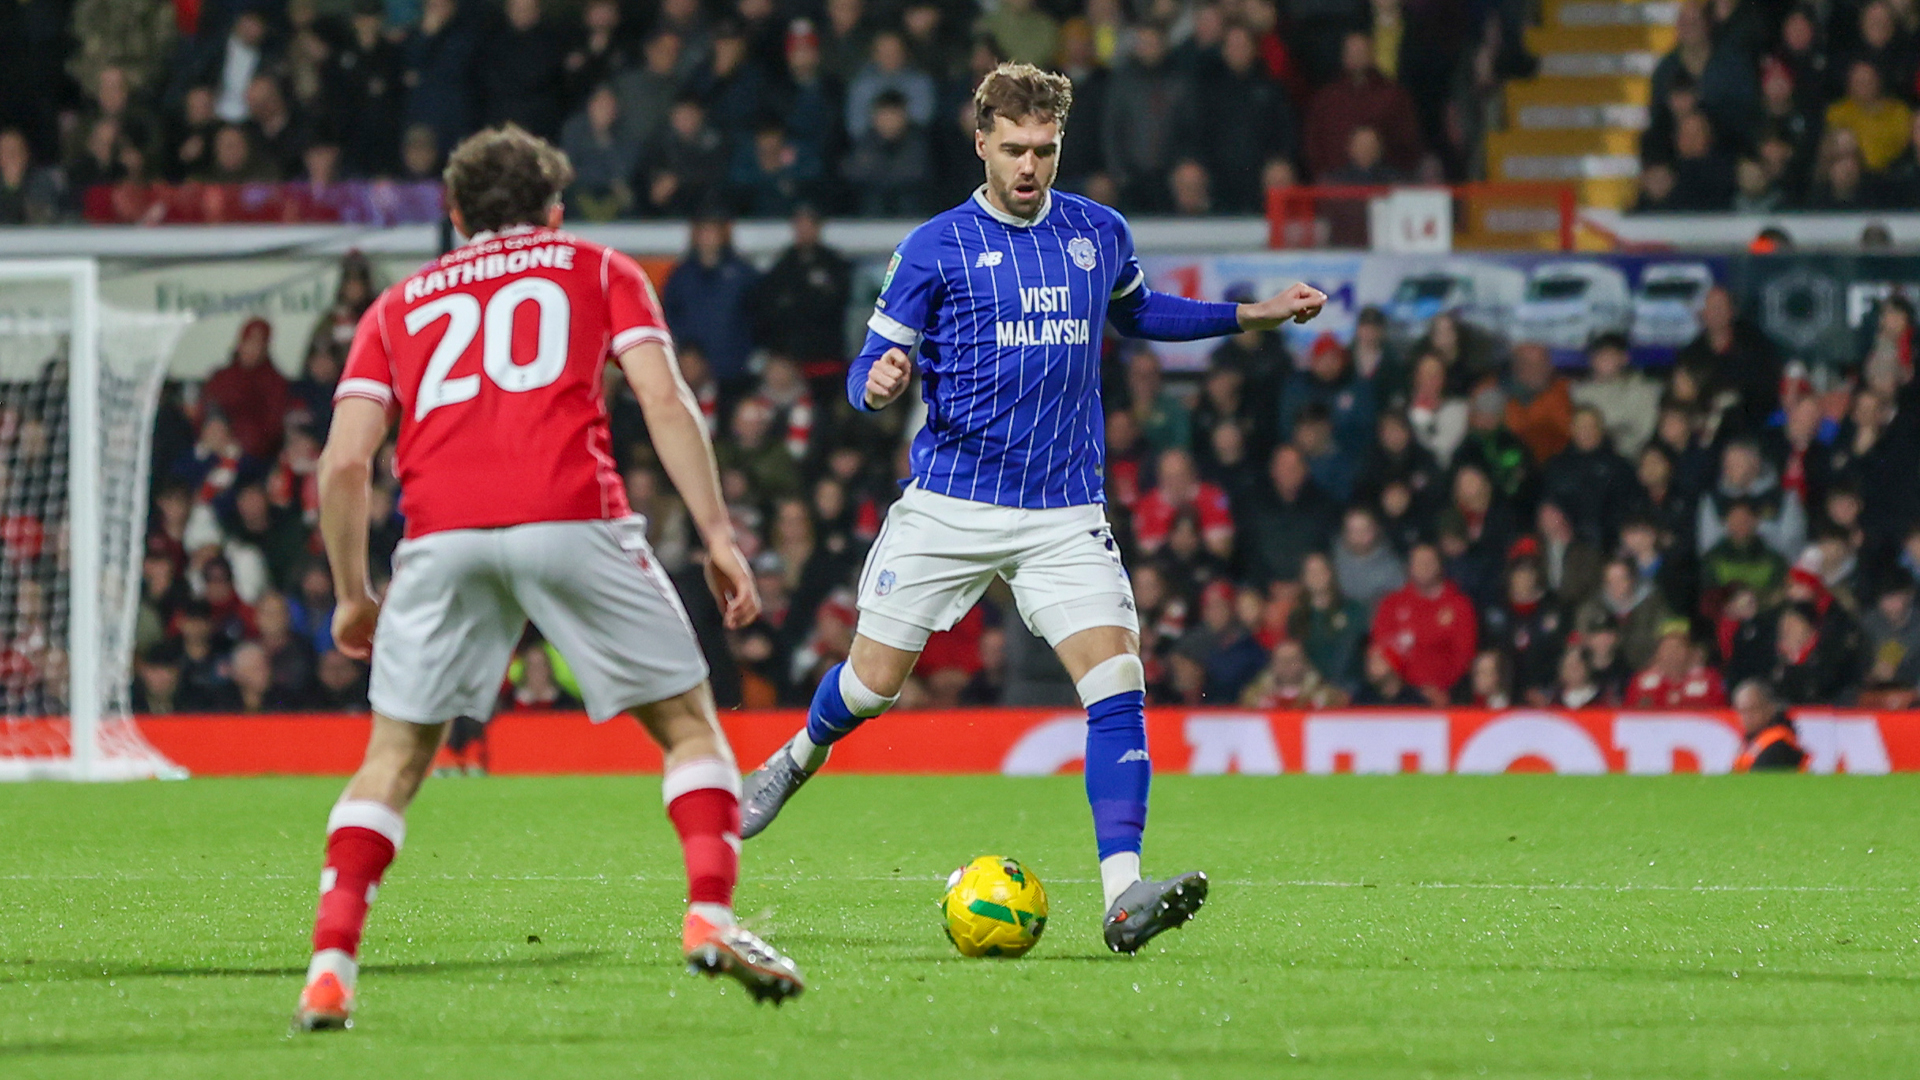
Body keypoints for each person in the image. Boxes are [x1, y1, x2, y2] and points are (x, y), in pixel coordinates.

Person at [736, 64, 1326, 953]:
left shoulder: (1097, 232)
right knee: (870, 686)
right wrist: (879, 384)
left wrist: (1252, 314)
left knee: (1118, 682)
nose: (1029, 167)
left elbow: (1141, 314)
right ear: (980, 143)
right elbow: (867, 370)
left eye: (1044, 150)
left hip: (1062, 509)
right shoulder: (934, 247)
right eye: (1013, 149)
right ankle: (794, 759)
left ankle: (1124, 896)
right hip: (949, 506)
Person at [294, 125, 803, 1032]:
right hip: (573, 516)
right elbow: (662, 398)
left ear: (454, 216)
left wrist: (350, 593)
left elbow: (341, 464)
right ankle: (711, 916)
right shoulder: (599, 267)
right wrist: (718, 533)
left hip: (441, 535)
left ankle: (330, 969)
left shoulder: (397, 304)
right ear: (556, 210)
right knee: (689, 728)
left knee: (395, 759)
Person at [1731, 679, 1807, 772]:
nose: (1746, 717)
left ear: (1770, 708)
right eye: (1742, 711)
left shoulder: (1778, 745)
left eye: (1752, 709)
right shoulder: (1752, 742)